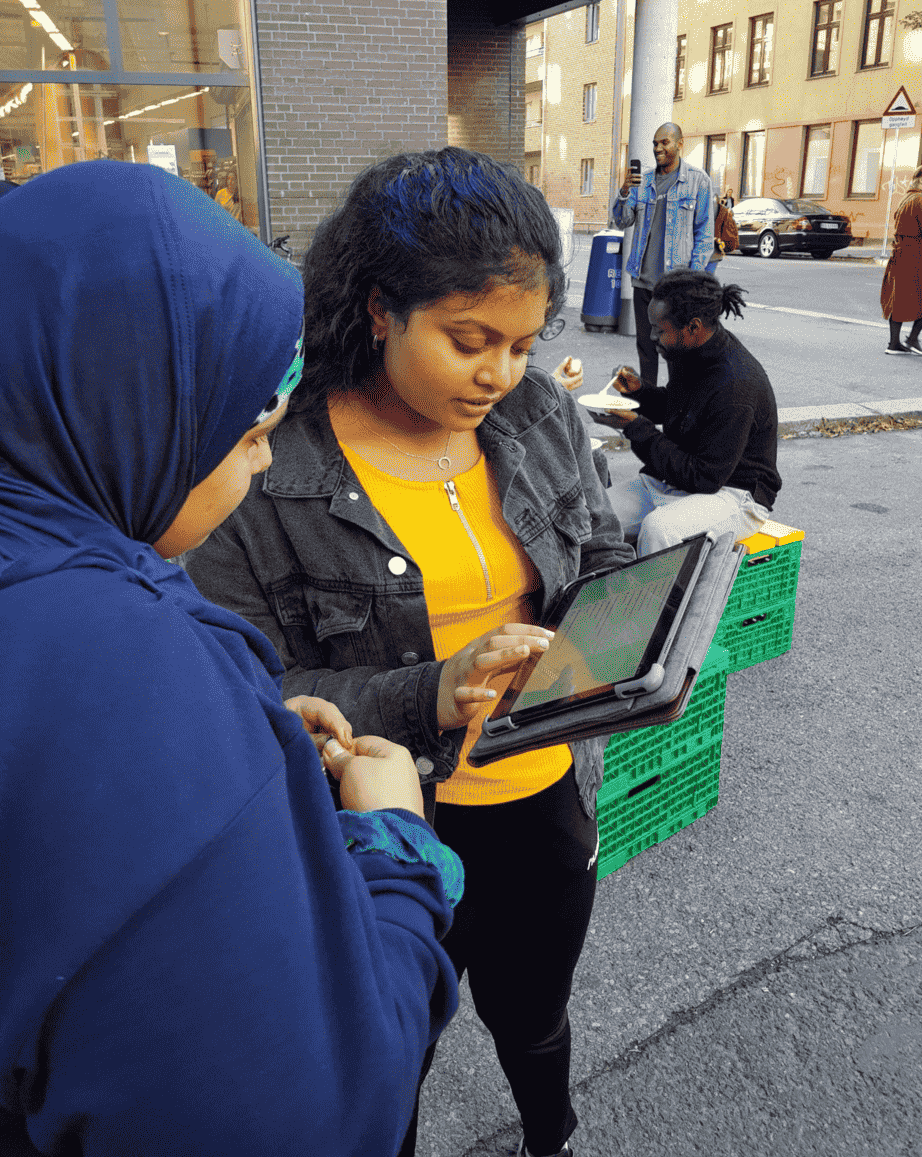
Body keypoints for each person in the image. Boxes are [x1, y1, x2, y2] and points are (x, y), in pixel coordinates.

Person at [0, 159, 463, 1157]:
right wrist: (393, 843)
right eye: (249, 430)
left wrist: (246, 756)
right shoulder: (132, 679)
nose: (260, 461)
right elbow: (310, 1115)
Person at [185, 147, 636, 1157]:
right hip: (375, 823)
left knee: (534, 1015)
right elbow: (239, 688)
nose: (500, 373)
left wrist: (630, 632)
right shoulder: (268, 467)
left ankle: (549, 1135)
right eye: (471, 339)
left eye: (523, 343)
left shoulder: (535, 413)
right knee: (388, 1048)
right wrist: (429, 691)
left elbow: (600, 549)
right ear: (381, 307)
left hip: (544, 795)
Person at [592, 269, 781, 558]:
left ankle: (656, 604)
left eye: (660, 329)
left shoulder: (736, 385)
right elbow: (679, 406)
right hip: (677, 478)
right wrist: (638, 393)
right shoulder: (686, 350)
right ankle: (597, 592)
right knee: (592, 519)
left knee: (660, 530)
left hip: (735, 493)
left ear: (692, 327)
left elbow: (705, 478)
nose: (652, 335)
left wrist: (636, 428)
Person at [611, 123, 714, 385]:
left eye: (664, 142)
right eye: (655, 143)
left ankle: (675, 409)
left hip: (675, 287)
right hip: (643, 283)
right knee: (646, 349)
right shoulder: (642, 182)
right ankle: (648, 409)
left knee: (675, 350)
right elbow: (622, 221)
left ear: (680, 144)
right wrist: (624, 192)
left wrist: (692, 282)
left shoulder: (698, 181)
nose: (658, 148)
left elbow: (704, 237)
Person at [880, 165, 922, 355]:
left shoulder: (906, 198)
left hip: (901, 253)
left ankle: (894, 343)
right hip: (916, 254)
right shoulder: (920, 200)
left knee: (899, 297)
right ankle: (912, 339)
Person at [706, 193, 739, 274]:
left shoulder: (703, 205)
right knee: (708, 280)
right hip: (716, 251)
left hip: (704, 251)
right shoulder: (721, 209)